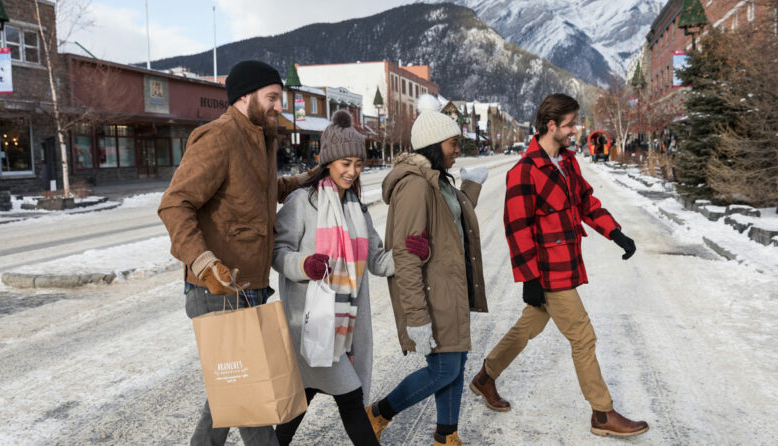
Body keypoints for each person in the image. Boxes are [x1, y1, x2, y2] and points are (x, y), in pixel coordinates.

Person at [469, 93, 649, 438]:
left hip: (567, 263)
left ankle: (485, 377)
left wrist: (615, 233)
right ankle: (602, 413)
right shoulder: (524, 171)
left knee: (529, 326)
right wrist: (529, 278)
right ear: (550, 126)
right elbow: (516, 227)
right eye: (568, 125)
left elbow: (586, 202)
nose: (574, 131)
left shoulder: (567, 163)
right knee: (583, 336)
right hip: (548, 272)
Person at [158, 60, 316, 446]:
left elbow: (256, 191)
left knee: (229, 394)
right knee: (253, 401)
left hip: (249, 287)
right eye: (273, 97)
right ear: (246, 96)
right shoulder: (220, 137)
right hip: (218, 289)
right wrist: (204, 261)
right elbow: (174, 204)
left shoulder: (260, 136)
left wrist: (304, 180)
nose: (279, 106)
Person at [271, 111, 429, 445]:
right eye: (345, 162)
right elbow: (277, 252)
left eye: (358, 163)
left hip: (345, 328)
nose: (352, 171)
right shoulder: (302, 202)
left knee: (304, 397)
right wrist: (305, 265)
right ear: (327, 161)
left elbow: (377, 261)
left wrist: (408, 253)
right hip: (311, 323)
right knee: (352, 399)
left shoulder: (357, 208)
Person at [365, 94, 489, 446]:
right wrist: (416, 317)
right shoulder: (415, 185)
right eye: (453, 143)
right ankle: (379, 413)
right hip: (433, 295)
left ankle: (446, 435)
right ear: (435, 144)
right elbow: (405, 256)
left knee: (456, 365)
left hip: (451, 288)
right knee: (444, 369)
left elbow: (449, 224)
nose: (457, 150)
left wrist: (470, 188)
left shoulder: (436, 179)